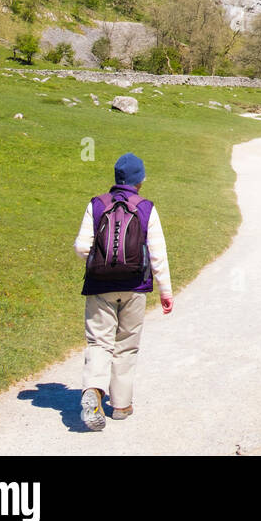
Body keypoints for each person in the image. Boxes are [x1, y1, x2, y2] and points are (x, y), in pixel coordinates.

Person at [73, 152, 173, 431]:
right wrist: (166, 291)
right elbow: (157, 255)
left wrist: (101, 261)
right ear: (140, 180)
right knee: (126, 346)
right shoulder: (146, 207)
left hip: (99, 286)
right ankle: (121, 405)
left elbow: (82, 247)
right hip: (135, 287)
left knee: (99, 342)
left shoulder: (96, 204)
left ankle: (93, 389)